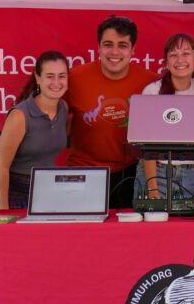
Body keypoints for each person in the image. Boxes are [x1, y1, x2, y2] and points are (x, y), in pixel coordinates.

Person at [67, 15, 156, 209]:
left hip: (130, 175)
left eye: (122, 45)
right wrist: (18, 129)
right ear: (98, 47)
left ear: (133, 50)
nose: (114, 52)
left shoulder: (151, 83)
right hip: (84, 172)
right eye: (108, 44)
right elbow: (42, 101)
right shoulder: (74, 77)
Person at [134, 33, 194, 203]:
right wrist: (152, 188)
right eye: (173, 55)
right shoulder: (152, 92)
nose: (180, 60)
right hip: (158, 173)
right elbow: (146, 146)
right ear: (166, 62)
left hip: (191, 174)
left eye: (186, 54)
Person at [0, 50, 69, 210]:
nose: (57, 82)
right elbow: (2, 167)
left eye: (62, 76)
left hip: (49, 195)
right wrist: (3, 213)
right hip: (16, 198)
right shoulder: (19, 116)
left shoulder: (64, 108)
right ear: (37, 78)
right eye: (50, 76)